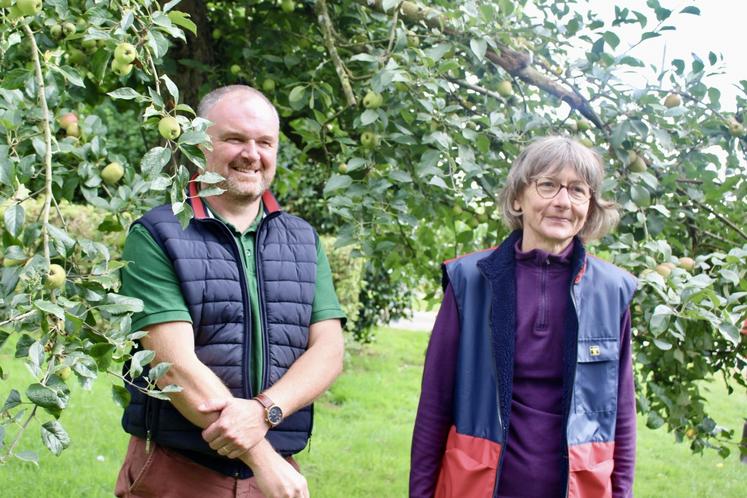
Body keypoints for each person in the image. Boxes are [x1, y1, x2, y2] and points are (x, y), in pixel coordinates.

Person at [114, 85, 346, 498]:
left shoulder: (302, 239)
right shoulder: (155, 234)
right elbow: (172, 366)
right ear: (201, 143)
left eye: (264, 142)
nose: (251, 154)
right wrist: (261, 456)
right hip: (180, 471)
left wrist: (264, 411)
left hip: (274, 470)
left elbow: (328, 350)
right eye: (235, 138)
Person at [410, 136, 638, 498]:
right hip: (479, 487)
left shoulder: (613, 291)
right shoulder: (470, 280)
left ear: (590, 205)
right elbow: (434, 403)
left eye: (578, 190)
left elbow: (621, 413)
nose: (562, 202)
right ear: (518, 197)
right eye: (548, 185)